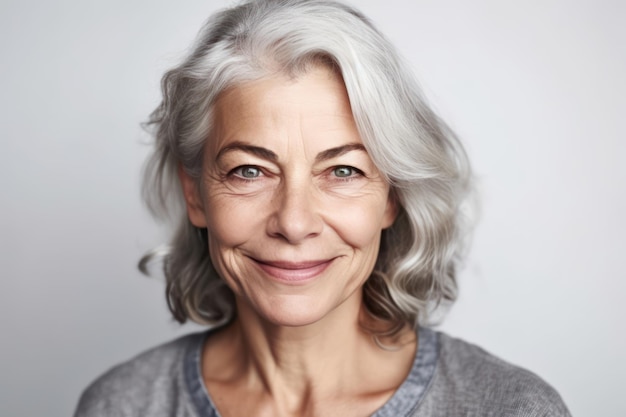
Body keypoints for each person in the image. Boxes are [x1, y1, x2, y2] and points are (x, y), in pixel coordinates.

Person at [74, 0, 570, 416]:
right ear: (195, 195)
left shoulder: (510, 408)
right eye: (250, 171)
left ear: (392, 198)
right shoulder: (122, 405)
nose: (293, 222)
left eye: (343, 172)